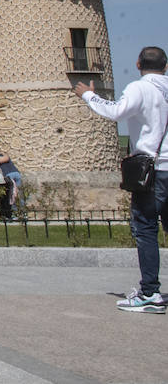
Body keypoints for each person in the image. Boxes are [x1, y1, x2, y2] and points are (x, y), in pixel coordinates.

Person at [75, 45, 168, 313]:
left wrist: (89, 95)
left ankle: (149, 293)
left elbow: (116, 111)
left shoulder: (141, 88)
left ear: (138, 64)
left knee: (146, 230)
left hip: (152, 173)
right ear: (165, 65)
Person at [0, 148, 23, 214]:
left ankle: (15, 212)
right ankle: (23, 211)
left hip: (8, 175)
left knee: (11, 194)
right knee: (19, 193)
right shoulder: (4, 156)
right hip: (16, 173)